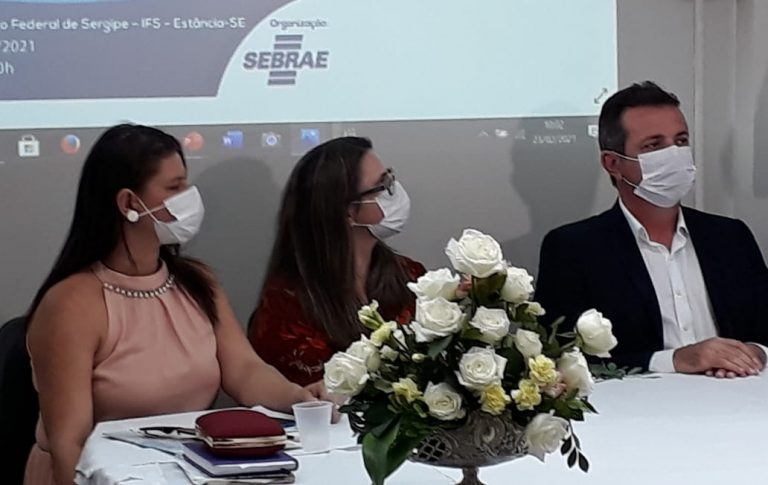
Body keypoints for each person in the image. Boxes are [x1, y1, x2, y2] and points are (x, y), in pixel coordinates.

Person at [24, 124, 328, 485]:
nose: (189, 198)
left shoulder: (197, 281)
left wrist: (299, 398)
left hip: (187, 470)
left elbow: (245, 371)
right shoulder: (71, 303)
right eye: (174, 188)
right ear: (128, 204)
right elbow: (67, 442)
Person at [536, 81, 768, 378]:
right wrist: (675, 360)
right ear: (613, 163)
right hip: (639, 402)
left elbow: (764, 328)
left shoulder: (730, 237)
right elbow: (564, 359)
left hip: (739, 395)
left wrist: (754, 352)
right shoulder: (573, 249)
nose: (674, 155)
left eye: (680, 141)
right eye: (653, 146)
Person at [248, 137, 425, 385]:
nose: (394, 191)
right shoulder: (287, 304)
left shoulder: (411, 274)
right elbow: (319, 393)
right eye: (381, 185)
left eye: (390, 178)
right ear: (348, 211)